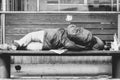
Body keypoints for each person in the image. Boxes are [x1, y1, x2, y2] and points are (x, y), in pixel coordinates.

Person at [0, 24, 104, 51]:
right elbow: (68, 46)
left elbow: (70, 27)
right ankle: (14, 45)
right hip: (49, 46)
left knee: (30, 36)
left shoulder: (86, 33)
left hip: (51, 34)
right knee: (28, 47)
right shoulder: (83, 47)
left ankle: (15, 44)